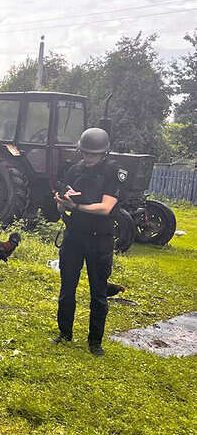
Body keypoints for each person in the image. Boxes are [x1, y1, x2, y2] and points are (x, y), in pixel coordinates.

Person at [52, 127, 123, 356]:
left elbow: (106, 207)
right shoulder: (75, 170)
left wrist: (78, 206)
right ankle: (65, 333)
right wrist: (61, 202)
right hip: (74, 236)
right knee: (67, 288)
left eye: (94, 154)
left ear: (104, 153)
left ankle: (95, 342)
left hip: (99, 238)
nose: (89, 158)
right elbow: (61, 205)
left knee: (99, 292)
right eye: (86, 153)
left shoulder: (112, 172)